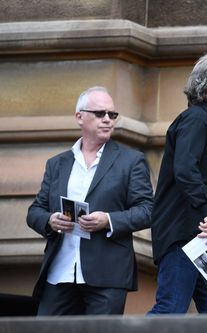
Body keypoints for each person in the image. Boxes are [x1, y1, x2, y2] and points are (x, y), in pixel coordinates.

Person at [27, 86, 154, 315]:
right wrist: (51, 220)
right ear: (79, 117)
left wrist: (108, 220)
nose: (107, 120)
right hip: (60, 272)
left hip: (107, 273)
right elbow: (35, 211)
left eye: (112, 115)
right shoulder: (57, 164)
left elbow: (148, 210)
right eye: (100, 113)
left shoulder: (131, 161)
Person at [148, 47, 207, 314]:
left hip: (206, 241)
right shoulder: (195, 120)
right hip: (186, 236)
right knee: (170, 312)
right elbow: (185, 169)